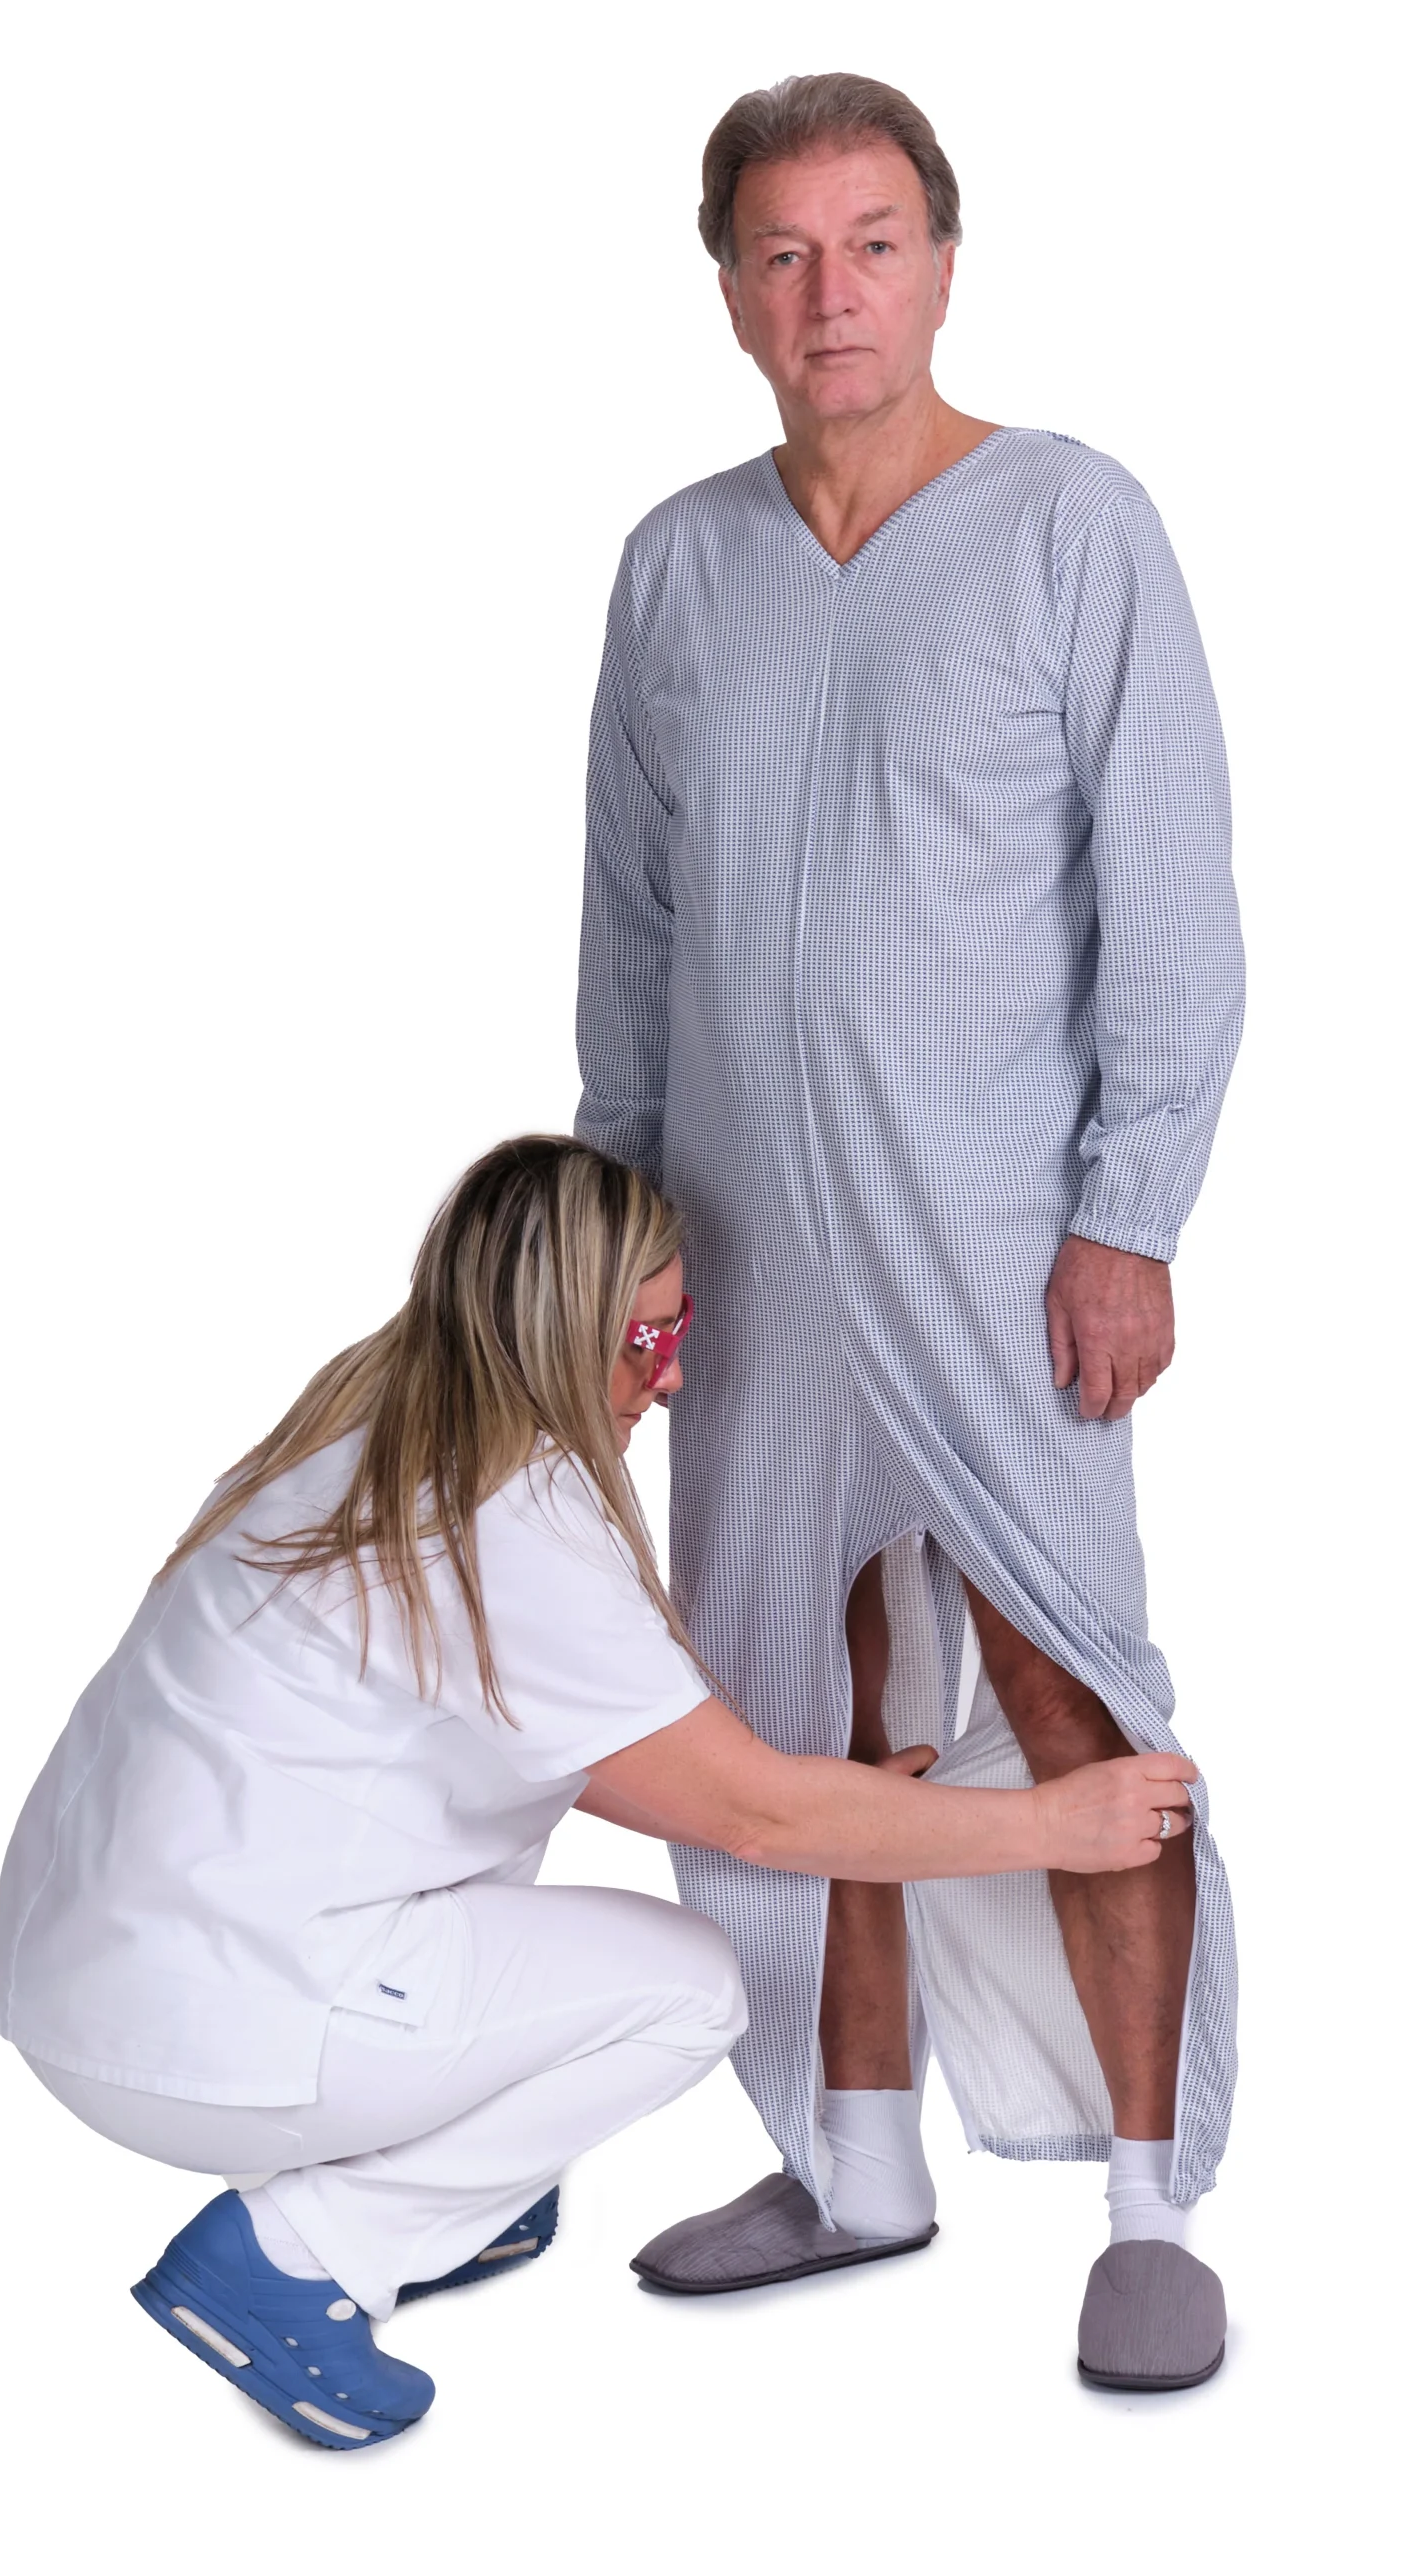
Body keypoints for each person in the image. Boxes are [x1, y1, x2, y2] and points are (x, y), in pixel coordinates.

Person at [0, 1135, 1194, 2446]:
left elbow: (610, 1754)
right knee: (687, 1991)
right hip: (215, 2032)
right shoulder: (515, 1514)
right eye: (643, 1342)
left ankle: (453, 2201)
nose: (669, 1380)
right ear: (554, 1328)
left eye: (681, 1332)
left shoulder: (364, 1423)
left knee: (555, 1941)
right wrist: (1047, 1824)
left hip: (88, 1982)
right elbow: (751, 1817)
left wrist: (826, 1799)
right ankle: (296, 2257)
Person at [575, 73, 1244, 2389]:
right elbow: (632, 927)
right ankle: (851, 2153)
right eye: (781, 251)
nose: (829, 293)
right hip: (748, 1252)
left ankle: (1152, 2204)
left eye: (872, 243)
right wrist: (621, 1220)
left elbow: (1170, 899)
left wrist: (1129, 1211)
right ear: (729, 289)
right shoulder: (678, 565)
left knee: (1067, 1689)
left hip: (994, 1246)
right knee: (800, 1706)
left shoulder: (1068, 522)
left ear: (944, 265)